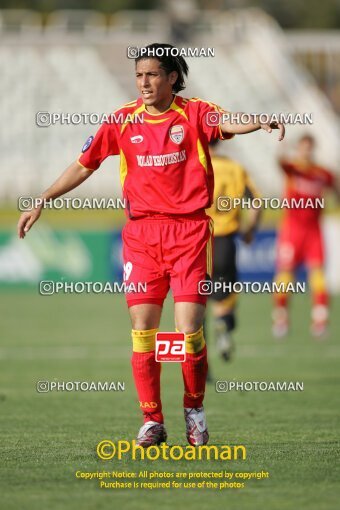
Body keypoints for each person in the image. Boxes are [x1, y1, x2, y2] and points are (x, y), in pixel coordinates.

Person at [17, 43, 285, 447]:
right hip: (142, 237)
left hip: (190, 234)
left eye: (152, 74)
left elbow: (230, 120)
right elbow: (83, 163)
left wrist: (260, 121)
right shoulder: (122, 120)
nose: (143, 82)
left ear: (172, 77)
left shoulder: (194, 112)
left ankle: (194, 409)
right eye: (139, 75)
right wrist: (41, 200)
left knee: (188, 331)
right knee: (142, 328)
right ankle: (151, 421)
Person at [272, 134, 339, 338]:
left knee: (318, 274)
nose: (306, 152)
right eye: (303, 148)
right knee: (285, 273)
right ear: (298, 149)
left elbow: (335, 187)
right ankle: (281, 318)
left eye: (309, 148)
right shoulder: (293, 169)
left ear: (313, 149)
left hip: (313, 231)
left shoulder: (322, 173)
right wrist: (282, 145)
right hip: (292, 229)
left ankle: (320, 320)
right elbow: (279, 161)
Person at [205, 139, 261, 362]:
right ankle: (223, 326)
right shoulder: (235, 168)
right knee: (224, 296)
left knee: (193, 299)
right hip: (225, 241)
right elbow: (256, 202)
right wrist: (250, 230)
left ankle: (197, 358)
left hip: (195, 241)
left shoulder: (192, 163)